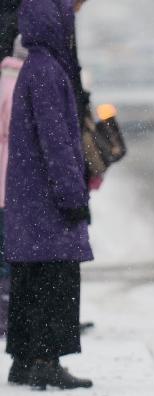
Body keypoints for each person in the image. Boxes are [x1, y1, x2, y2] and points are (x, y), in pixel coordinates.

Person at [4, 0, 92, 389]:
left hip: (28, 195)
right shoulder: (49, 72)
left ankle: (24, 359)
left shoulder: (31, 69)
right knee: (55, 278)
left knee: (29, 275)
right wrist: (73, 197)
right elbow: (58, 143)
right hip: (48, 200)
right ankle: (45, 360)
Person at [0, 34, 25, 336]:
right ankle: (5, 316)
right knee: (8, 253)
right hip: (10, 181)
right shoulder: (22, 84)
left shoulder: (3, 79)